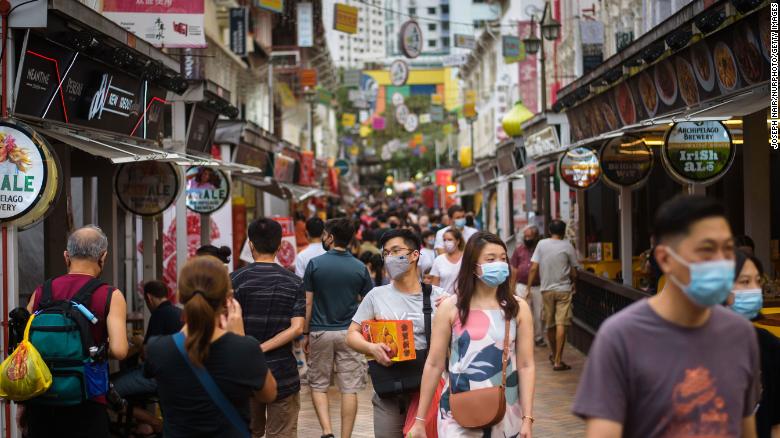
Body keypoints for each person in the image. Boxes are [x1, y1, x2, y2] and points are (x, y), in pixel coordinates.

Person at [572, 195, 761, 437]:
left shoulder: (741, 334)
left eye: (727, 250)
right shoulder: (620, 337)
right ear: (665, 259)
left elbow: (745, 428)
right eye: (707, 250)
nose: (721, 261)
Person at [408, 231, 535, 438]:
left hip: (506, 410)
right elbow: (434, 364)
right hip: (457, 410)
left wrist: (528, 418)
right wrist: (420, 420)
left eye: (503, 259)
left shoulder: (517, 308)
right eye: (491, 259)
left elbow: (526, 365)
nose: (500, 264)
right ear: (473, 265)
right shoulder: (451, 307)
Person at [145, 256, 277, 437]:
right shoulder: (245, 349)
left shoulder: (157, 349)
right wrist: (239, 338)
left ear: (179, 296)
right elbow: (268, 395)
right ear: (228, 299)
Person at [25, 225, 128, 438]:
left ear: (66, 256)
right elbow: (119, 351)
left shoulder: (41, 292)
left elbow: (23, 345)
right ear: (103, 256)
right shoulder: (110, 295)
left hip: (41, 399)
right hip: (87, 399)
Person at [346, 229, 449, 438]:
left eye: (396, 251)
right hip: (389, 388)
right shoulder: (376, 296)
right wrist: (372, 348)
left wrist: (453, 309)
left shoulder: (440, 298)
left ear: (414, 254)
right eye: (386, 254)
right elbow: (352, 334)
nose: (390, 258)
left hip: (428, 391)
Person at [231, 218, 306, 438]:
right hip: (283, 374)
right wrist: (262, 348)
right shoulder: (294, 282)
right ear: (281, 245)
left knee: (248, 432)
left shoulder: (235, 280)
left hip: (244, 374)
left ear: (250, 244)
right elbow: (297, 328)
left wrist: (251, 350)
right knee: (281, 433)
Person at [303, 218, 374, 438]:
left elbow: (308, 302)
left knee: (319, 384)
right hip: (350, 333)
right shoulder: (360, 267)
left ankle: (326, 431)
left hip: (320, 331)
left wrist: (305, 333)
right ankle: (345, 436)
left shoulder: (315, 265)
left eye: (325, 234)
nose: (323, 238)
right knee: (349, 388)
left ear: (331, 237)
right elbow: (368, 302)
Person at [727, 250, 780, 438]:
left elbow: (776, 424)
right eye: (744, 282)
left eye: (758, 281)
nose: (755, 289)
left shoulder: (769, 345)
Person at [527, 219, 580, 371]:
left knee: (550, 324)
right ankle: (558, 360)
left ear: (549, 231)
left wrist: (528, 287)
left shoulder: (542, 244)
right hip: (564, 290)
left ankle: (553, 353)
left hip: (546, 289)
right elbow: (574, 270)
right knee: (561, 324)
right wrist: (574, 282)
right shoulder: (568, 246)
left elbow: (533, 268)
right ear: (563, 232)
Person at [511, 225, 545, 347]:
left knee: (538, 314)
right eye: (526, 236)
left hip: (538, 286)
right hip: (521, 286)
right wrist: (512, 287)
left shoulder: (540, 250)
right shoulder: (519, 250)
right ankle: (524, 338)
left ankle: (539, 337)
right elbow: (514, 269)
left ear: (536, 237)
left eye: (530, 236)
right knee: (524, 313)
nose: (527, 238)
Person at [430, 227, 465, 294]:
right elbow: (434, 286)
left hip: (463, 301)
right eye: (444, 240)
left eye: (450, 240)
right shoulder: (439, 260)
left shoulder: (466, 258)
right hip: (444, 301)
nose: (446, 242)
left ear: (458, 241)